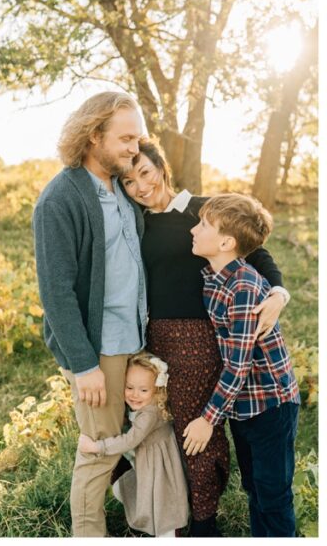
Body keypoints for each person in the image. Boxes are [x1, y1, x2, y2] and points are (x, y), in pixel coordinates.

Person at [122, 139, 289, 536]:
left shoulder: (203, 210)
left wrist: (279, 294)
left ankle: (204, 521)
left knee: (197, 432)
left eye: (145, 173)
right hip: (154, 337)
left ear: (161, 167)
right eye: (128, 182)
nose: (140, 186)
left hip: (200, 339)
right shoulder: (133, 220)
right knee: (159, 426)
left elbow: (258, 255)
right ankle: (166, 510)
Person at [32, 91, 146, 537]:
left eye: (138, 138)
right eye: (126, 138)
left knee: (123, 445)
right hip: (97, 348)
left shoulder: (122, 187)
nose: (134, 148)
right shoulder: (59, 200)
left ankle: (139, 516)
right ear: (94, 135)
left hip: (131, 336)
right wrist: (84, 366)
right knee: (98, 453)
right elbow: (55, 292)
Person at [186, 194, 300, 537]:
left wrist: (207, 420)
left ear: (226, 241)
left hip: (271, 405)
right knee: (255, 487)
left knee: (273, 495)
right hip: (243, 408)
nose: (193, 229)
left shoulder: (244, 287)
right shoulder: (214, 278)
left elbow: (237, 367)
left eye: (204, 224)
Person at [78, 352, 189, 537]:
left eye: (143, 390)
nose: (135, 395)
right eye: (129, 387)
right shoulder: (143, 407)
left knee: (164, 506)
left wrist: (98, 447)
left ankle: (169, 532)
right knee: (130, 490)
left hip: (159, 469)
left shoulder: (150, 414)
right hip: (149, 464)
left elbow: (130, 440)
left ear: (156, 391)